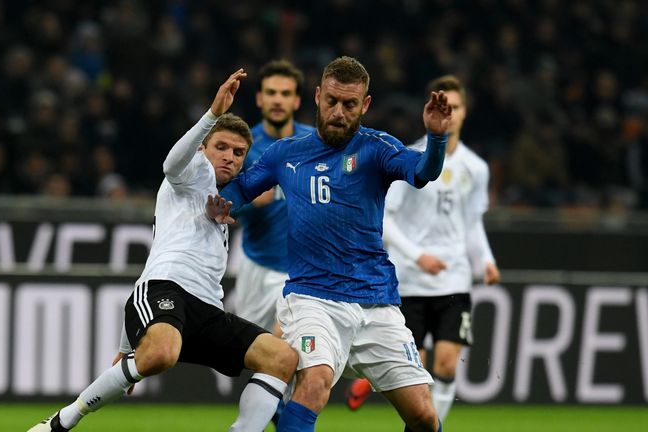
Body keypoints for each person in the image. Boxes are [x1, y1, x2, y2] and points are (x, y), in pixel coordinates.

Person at [27, 69, 298, 432]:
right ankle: (62, 421)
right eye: (221, 147)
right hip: (165, 290)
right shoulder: (190, 173)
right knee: (162, 354)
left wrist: (127, 349)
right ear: (204, 147)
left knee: (281, 358)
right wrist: (212, 115)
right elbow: (171, 164)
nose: (230, 157)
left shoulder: (225, 201)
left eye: (238, 153)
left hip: (206, 309)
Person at [210, 56, 451, 432]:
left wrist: (436, 138)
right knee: (315, 381)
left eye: (350, 104)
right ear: (318, 97)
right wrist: (219, 205)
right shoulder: (284, 154)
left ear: (365, 105)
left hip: (375, 299)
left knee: (423, 415)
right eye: (332, 102)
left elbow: (422, 172)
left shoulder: (377, 148)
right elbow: (241, 188)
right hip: (313, 298)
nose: (339, 112)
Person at [345, 75, 501, 423]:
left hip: (455, 279)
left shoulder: (477, 169)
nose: (452, 112)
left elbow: (472, 221)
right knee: (411, 368)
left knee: (446, 362)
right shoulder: (410, 157)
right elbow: (385, 220)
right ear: (431, 109)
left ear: (464, 112)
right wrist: (418, 256)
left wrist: (485, 261)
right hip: (411, 279)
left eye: (457, 106)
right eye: (446, 104)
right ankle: (368, 381)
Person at [232, 59, 314, 334]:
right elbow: (223, 209)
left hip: (302, 270)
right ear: (259, 98)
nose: (278, 100)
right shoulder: (241, 147)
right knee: (256, 355)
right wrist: (250, 202)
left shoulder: (316, 145)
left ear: (296, 100)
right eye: (271, 93)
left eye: (285, 93)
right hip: (257, 265)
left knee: (290, 345)